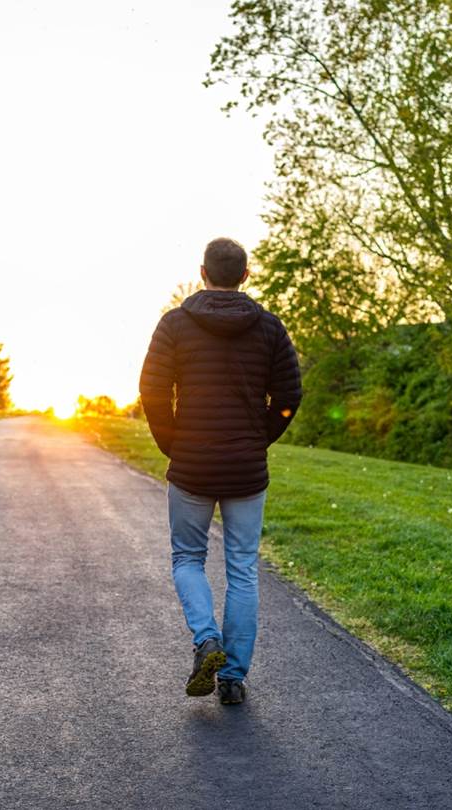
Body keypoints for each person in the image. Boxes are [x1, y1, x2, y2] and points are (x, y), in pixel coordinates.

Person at [139, 237, 303, 705]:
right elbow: (289, 396)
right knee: (242, 568)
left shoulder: (174, 324)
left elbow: (152, 390)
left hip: (192, 464)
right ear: (245, 276)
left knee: (188, 558)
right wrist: (258, 438)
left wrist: (173, 443)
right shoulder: (269, 327)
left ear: (203, 273)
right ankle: (232, 678)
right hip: (245, 469)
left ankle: (206, 638)